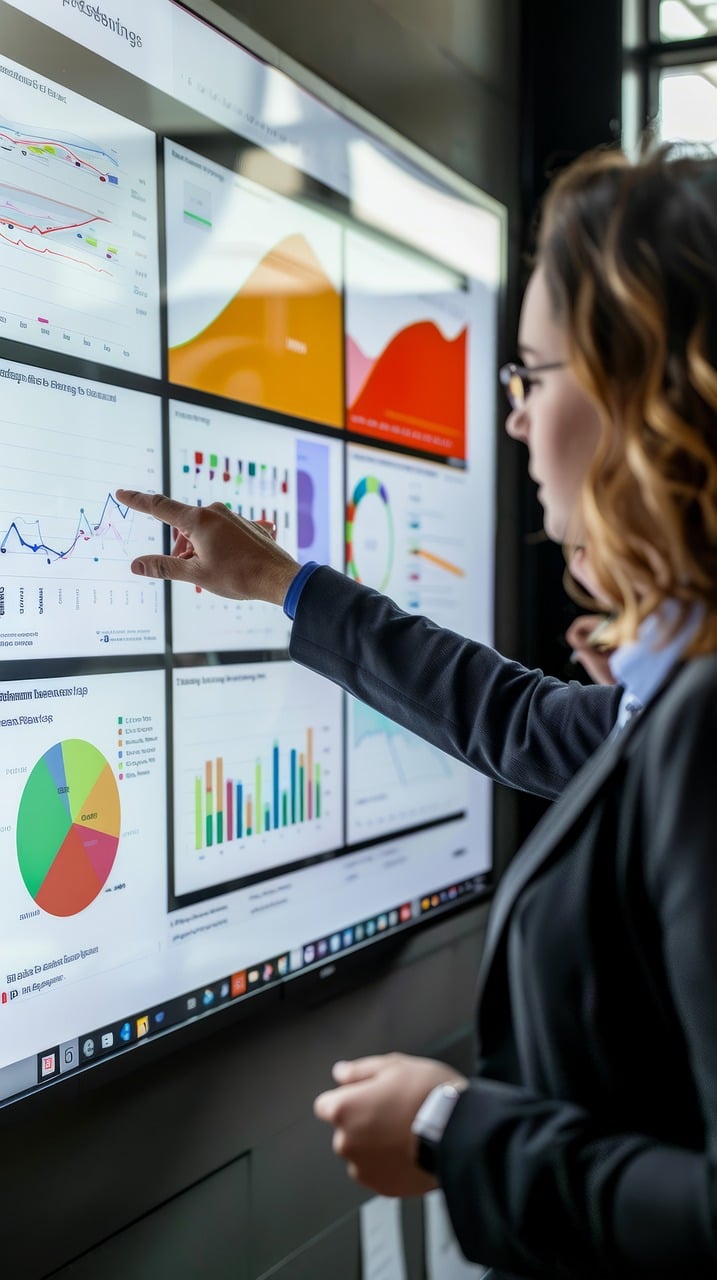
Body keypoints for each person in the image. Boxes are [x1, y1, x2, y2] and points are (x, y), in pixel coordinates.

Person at [117, 144, 717, 1277]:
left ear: (651, 397)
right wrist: (285, 584)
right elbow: (523, 721)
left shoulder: (706, 721)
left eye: (533, 376)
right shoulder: (677, 693)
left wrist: (458, 1131)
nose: (514, 420)